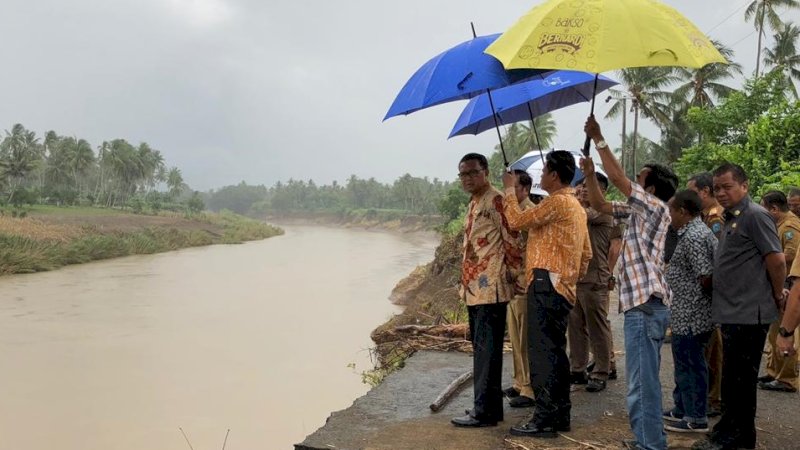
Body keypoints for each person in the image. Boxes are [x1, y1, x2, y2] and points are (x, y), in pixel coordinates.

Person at [582, 116, 676, 450]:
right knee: (643, 381)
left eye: (640, 180)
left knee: (642, 383)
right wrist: (592, 175)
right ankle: (649, 439)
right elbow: (600, 204)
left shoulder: (654, 207)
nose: (633, 183)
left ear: (649, 189)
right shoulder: (639, 212)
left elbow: (620, 181)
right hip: (645, 306)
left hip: (645, 306)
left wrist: (599, 139)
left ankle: (650, 444)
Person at [691, 163, 786, 450]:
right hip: (733, 312)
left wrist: (776, 295)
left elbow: (777, 261)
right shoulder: (732, 217)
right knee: (733, 380)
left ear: (744, 186)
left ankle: (739, 438)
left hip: (749, 313)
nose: (720, 193)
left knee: (741, 382)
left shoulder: (755, 216)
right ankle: (727, 431)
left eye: (727, 186)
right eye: (717, 187)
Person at [502, 150, 592, 438]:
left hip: (545, 283)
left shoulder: (558, 202)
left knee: (542, 354)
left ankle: (544, 418)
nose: (541, 177)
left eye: (543, 173)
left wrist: (507, 189)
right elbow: (586, 254)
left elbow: (516, 221)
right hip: (560, 286)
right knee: (555, 354)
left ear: (554, 175)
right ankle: (559, 414)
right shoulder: (576, 206)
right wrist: (569, 279)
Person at [451, 153, 523, 428]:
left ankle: (485, 411)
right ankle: (486, 407)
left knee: (487, 351)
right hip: (474, 289)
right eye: (463, 174)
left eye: (473, 172)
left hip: (491, 287)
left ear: (486, 172)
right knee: (482, 349)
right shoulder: (474, 203)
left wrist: (515, 276)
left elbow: (512, 240)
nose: (468, 178)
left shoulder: (496, 200)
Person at [662, 190, 717, 434]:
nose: (669, 215)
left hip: (692, 313)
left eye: (671, 211)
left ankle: (696, 416)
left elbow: (706, 276)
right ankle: (682, 407)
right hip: (685, 311)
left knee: (692, 363)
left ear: (683, 212)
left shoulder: (694, 236)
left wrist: (695, 300)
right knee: (683, 361)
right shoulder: (692, 231)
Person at [568, 173, 622, 393]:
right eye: (581, 186)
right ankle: (577, 368)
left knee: (597, 327)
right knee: (575, 326)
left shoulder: (602, 211)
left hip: (595, 277)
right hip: (577, 277)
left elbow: (579, 215)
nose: (583, 190)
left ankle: (601, 370)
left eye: (588, 187)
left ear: (602, 191)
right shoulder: (583, 210)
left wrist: (574, 198)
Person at [686, 172, 725, 417]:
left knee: (712, 347)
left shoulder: (716, 217)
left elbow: (716, 257)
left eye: (693, 192)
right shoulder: (703, 216)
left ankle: (713, 397)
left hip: (711, 289)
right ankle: (711, 395)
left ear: (705, 192)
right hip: (705, 289)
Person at [757, 190, 800, 393]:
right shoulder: (779, 224)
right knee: (775, 333)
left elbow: (791, 254)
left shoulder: (790, 225)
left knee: (786, 332)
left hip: (788, 286)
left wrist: (768, 257)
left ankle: (788, 378)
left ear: (774, 209)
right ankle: (774, 372)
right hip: (778, 286)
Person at [503, 169, 536, 408]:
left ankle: (529, 387)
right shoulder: (515, 210)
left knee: (525, 340)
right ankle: (518, 382)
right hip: (513, 284)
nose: (509, 192)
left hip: (525, 282)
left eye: (513, 187)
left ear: (525, 189)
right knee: (515, 338)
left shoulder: (529, 212)